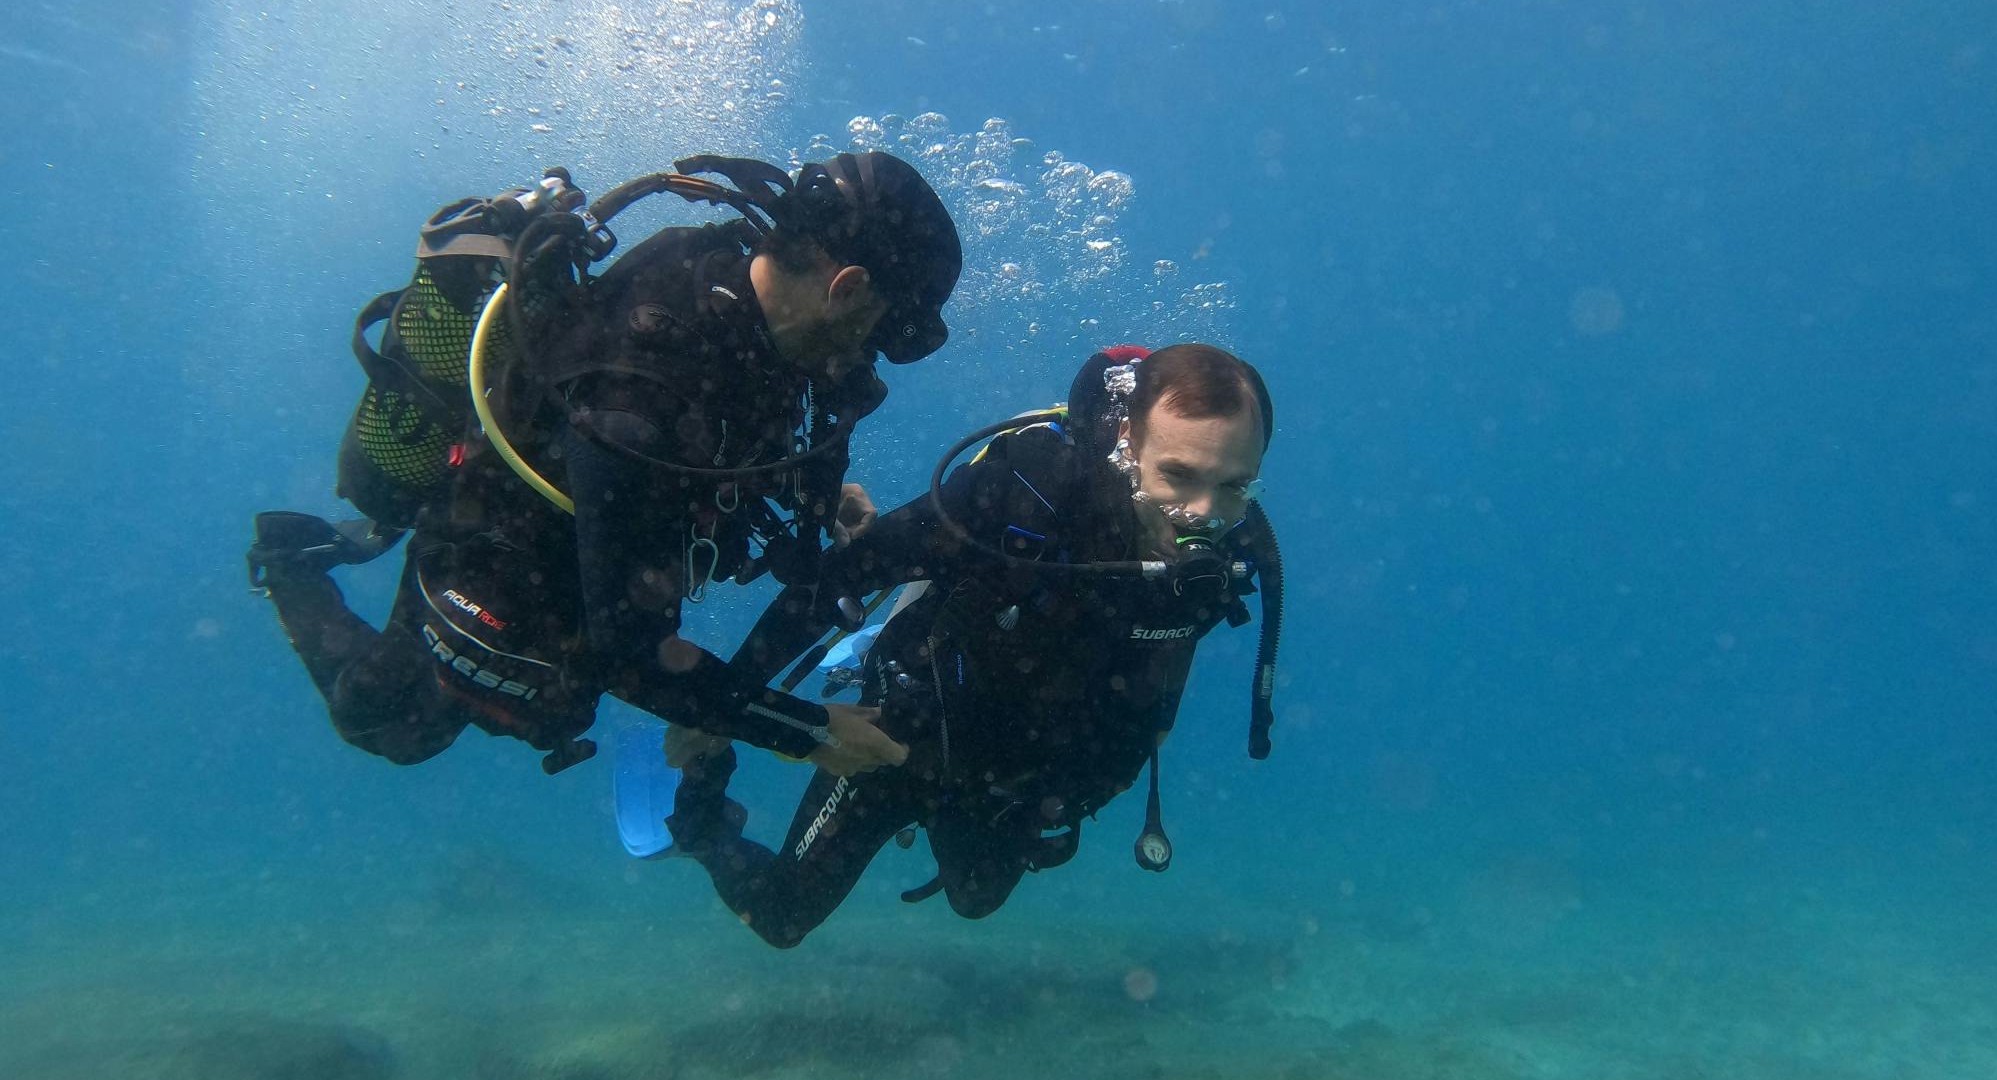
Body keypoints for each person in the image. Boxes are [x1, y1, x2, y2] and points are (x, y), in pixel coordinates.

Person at [247, 153, 962, 778]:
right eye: (882, 333)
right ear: (849, 288)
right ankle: (291, 559)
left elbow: (715, 448)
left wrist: (810, 498)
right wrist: (811, 732)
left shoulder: (728, 284)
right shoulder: (637, 386)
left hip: (593, 561)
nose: (867, 358)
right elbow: (632, 653)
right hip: (498, 552)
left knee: (555, 704)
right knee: (394, 724)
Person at [659, 342, 1284, 947]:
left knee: (976, 899)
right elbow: (842, 580)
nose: (1203, 512)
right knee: (781, 917)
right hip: (904, 733)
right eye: (1178, 474)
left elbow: (1159, 669)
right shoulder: (1027, 489)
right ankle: (701, 818)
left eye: (1235, 484)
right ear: (1127, 439)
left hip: (1015, 769)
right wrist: (720, 708)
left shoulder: (1232, 541)